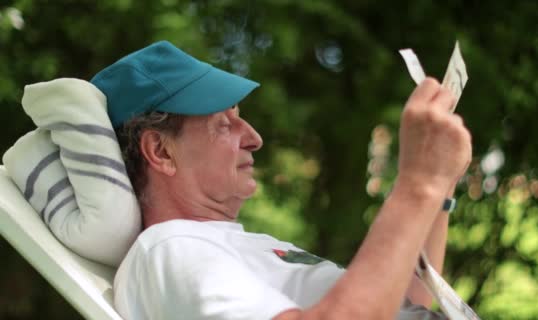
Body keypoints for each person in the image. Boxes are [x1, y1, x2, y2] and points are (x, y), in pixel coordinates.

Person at [91, 40, 472, 320]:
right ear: (160, 151)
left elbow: (408, 303)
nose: (254, 137)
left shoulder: (235, 247)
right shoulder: (172, 250)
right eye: (223, 123)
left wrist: (441, 186)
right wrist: (417, 183)